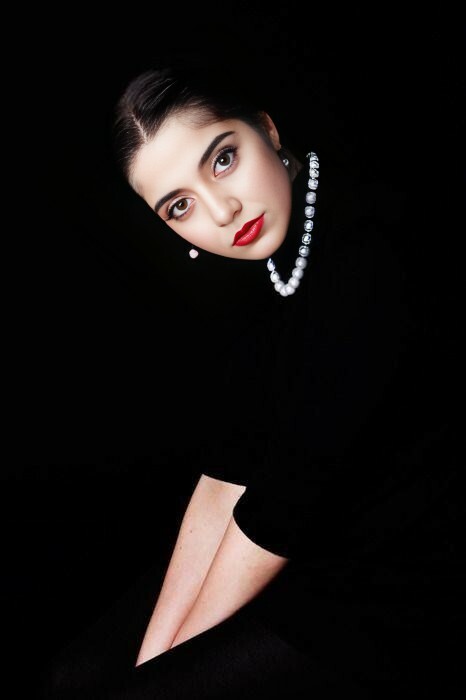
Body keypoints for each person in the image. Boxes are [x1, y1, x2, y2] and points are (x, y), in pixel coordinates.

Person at [41, 54, 463, 698]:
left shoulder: (371, 245)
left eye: (222, 159)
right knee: (72, 678)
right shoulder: (260, 263)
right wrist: (156, 657)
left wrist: (159, 675)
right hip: (305, 540)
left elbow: (288, 502)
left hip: (403, 574)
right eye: (179, 205)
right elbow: (228, 468)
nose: (222, 211)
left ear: (266, 128)